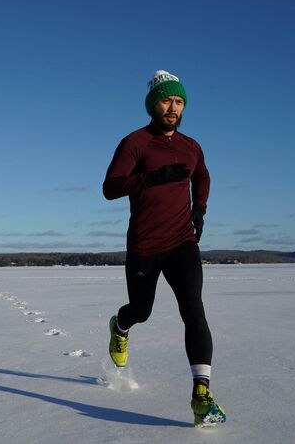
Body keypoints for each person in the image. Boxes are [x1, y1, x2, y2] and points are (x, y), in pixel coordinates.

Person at [102, 69, 226, 426]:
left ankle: (201, 393)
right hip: (144, 244)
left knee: (194, 311)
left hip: (182, 241)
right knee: (141, 310)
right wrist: (149, 179)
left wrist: (199, 209)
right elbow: (110, 187)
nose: (173, 107)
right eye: (167, 100)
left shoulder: (191, 147)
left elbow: (202, 174)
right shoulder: (135, 142)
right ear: (152, 104)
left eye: (179, 101)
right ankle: (120, 327)